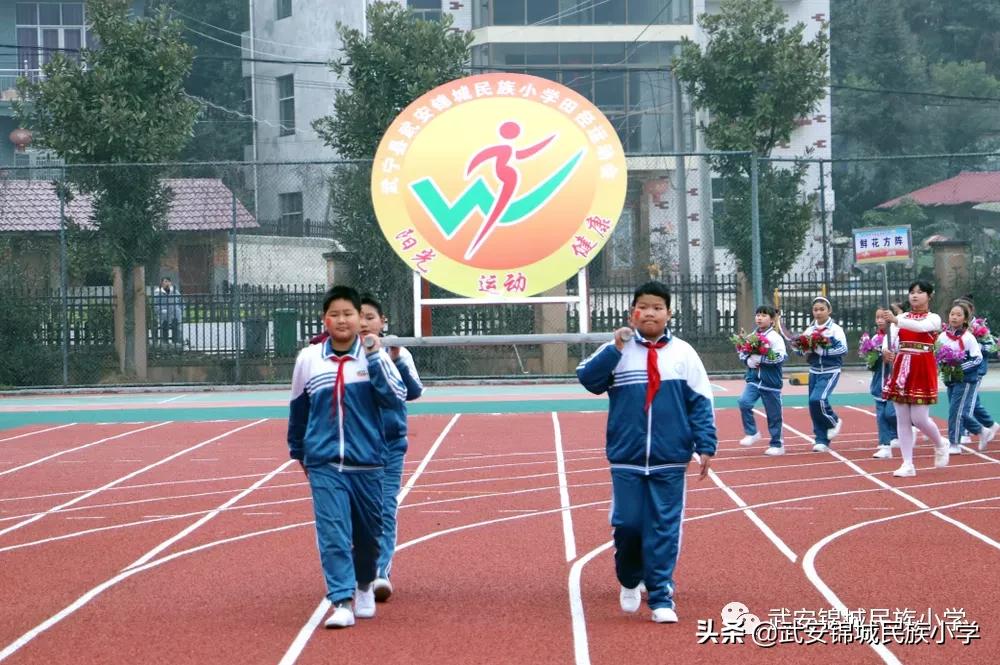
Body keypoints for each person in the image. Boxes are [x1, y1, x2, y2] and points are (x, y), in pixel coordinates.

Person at [577, 281, 717, 624]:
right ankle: (628, 578)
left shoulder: (683, 354)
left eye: (657, 307)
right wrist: (615, 347)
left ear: (669, 313)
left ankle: (660, 595)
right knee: (628, 524)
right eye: (644, 306)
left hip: (670, 457)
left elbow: (701, 402)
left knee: (664, 528)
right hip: (627, 456)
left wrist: (705, 445)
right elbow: (588, 379)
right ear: (632, 313)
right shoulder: (617, 350)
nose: (650, 312)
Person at [287, 285, 407, 629]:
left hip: (367, 461)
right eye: (334, 314)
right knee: (333, 532)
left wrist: (372, 356)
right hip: (324, 462)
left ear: (360, 320)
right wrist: (299, 450)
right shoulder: (308, 360)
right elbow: (299, 408)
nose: (342, 320)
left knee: (369, 534)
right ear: (324, 320)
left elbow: (395, 397)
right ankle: (341, 599)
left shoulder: (376, 359)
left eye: (348, 314)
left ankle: (365, 584)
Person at [359, 295, 424, 602]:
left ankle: (379, 572)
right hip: (356, 446)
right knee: (356, 511)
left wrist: (396, 359)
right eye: (357, 316)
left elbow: (412, 393)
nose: (363, 322)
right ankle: (357, 568)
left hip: (390, 444)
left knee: (385, 509)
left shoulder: (397, 352)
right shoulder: (341, 355)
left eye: (370, 317)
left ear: (382, 322)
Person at [881, 281, 950, 477]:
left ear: (930, 296)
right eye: (912, 292)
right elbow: (890, 340)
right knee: (902, 417)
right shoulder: (901, 318)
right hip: (901, 366)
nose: (915, 296)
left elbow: (920, 328)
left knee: (919, 418)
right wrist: (885, 351)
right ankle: (907, 464)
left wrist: (896, 320)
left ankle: (940, 443)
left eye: (920, 292)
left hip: (922, 366)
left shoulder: (933, 318)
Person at [736, 305, 787, 456]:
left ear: (772, 320)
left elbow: (781, 357)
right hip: (753, 380)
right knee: (744, 402)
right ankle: (752, 433)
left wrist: (762, 359)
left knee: (774, 415)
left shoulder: (775, 338)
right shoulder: (752, 336)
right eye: (758, 315)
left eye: (764, 315)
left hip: (770, 382)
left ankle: (777, 444)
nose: (759, 317)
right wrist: (748, 360)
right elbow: (742, 351)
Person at [798, 297, 848, 452]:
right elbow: (801, 350)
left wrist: (823, 351)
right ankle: (821, 440)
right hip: (814, 371)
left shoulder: (835, 329)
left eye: (822, 309)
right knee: (813, 406)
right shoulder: (810, 330)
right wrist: (802, 348)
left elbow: (843, 349)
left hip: (830, 370)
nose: (818, 312)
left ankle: (834, 421)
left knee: (818, 399)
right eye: (815, 310)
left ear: (829, 310)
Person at [953, 295, 1000, 450]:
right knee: (971, 403)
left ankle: (966, 432)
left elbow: (992, 347)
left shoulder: (980, 328)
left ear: (970, 311)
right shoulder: (953, 328)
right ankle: (988, 425)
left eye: (961, 312)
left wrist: (976, 347)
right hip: (955, 372)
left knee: (966, 404)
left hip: (975, 371)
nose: (956, 315)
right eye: (954, 312)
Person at [937, 302, 984, 454]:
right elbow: (936, 354)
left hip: (966, 379)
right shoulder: (943, 336)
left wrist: (959, 368)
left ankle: (954, 443)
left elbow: (978, 359)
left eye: (958, 315)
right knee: (958, 411)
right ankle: (981, 430)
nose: (954, 317)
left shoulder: (968, 337)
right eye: (952, 314)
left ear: (965, 320)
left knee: (954, 411)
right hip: (950, 379)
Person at [867, 308, 898, 459]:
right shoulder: (873, 339)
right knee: (881, 415)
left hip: (895, 381)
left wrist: (892, 356)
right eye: (877, 317)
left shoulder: (897, 336)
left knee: (891, 413)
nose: (879, 320)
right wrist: (876, 357)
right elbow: (869, 364)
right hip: (879, 382)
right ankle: (885, 445)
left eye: (883, 317)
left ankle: (908, 426)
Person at [153, 277, 183, 347]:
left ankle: (176, 342)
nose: (166, 283)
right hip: (163, 315)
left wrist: (180, 310)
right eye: (164, 282)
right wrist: (160, 310)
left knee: (176, 327)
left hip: (175, 314)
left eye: (168, 281)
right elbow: (155, 304)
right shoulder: (158, 292)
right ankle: (165, 342)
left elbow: (181, 302)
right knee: (164, 326)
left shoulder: (175, 291)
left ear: (170, 282)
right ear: (162, 283)